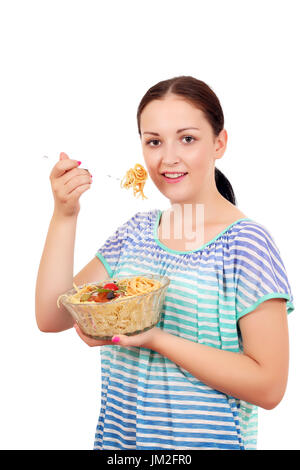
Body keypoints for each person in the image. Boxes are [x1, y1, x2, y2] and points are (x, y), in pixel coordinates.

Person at [35, 75, 295, 450]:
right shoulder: (135, 233)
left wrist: (157, 339)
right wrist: (64, 215)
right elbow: (52, 315)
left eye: (187, 139)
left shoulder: (247, 244)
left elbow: (270, 386)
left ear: (219, 143)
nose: (168, 158)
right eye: (154, 141)